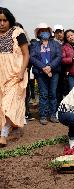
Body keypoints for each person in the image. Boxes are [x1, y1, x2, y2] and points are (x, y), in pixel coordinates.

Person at [0, 7, 29, 146]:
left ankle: (3, 135)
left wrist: (22, 71)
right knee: (1, 106)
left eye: (4, 20)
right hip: (1, 76)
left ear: (9, 20)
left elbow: (26, 54)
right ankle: (11, 126)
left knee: (9, 104)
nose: (1, 23)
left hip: (15, 74)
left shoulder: (18, 32)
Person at [30, 23, 62, 125]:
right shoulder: (35, 45)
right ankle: (43, 115)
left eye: (46, 30)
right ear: (38, 33)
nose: (44, 32)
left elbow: (59, 56)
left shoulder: (55, 44)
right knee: (43, 94)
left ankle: (53, 115)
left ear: (49, 32)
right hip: (40, 73)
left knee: (53, 94)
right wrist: (43, 67)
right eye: (41, 30)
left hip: (54, 72)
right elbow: (32, 58)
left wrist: (50, 67)